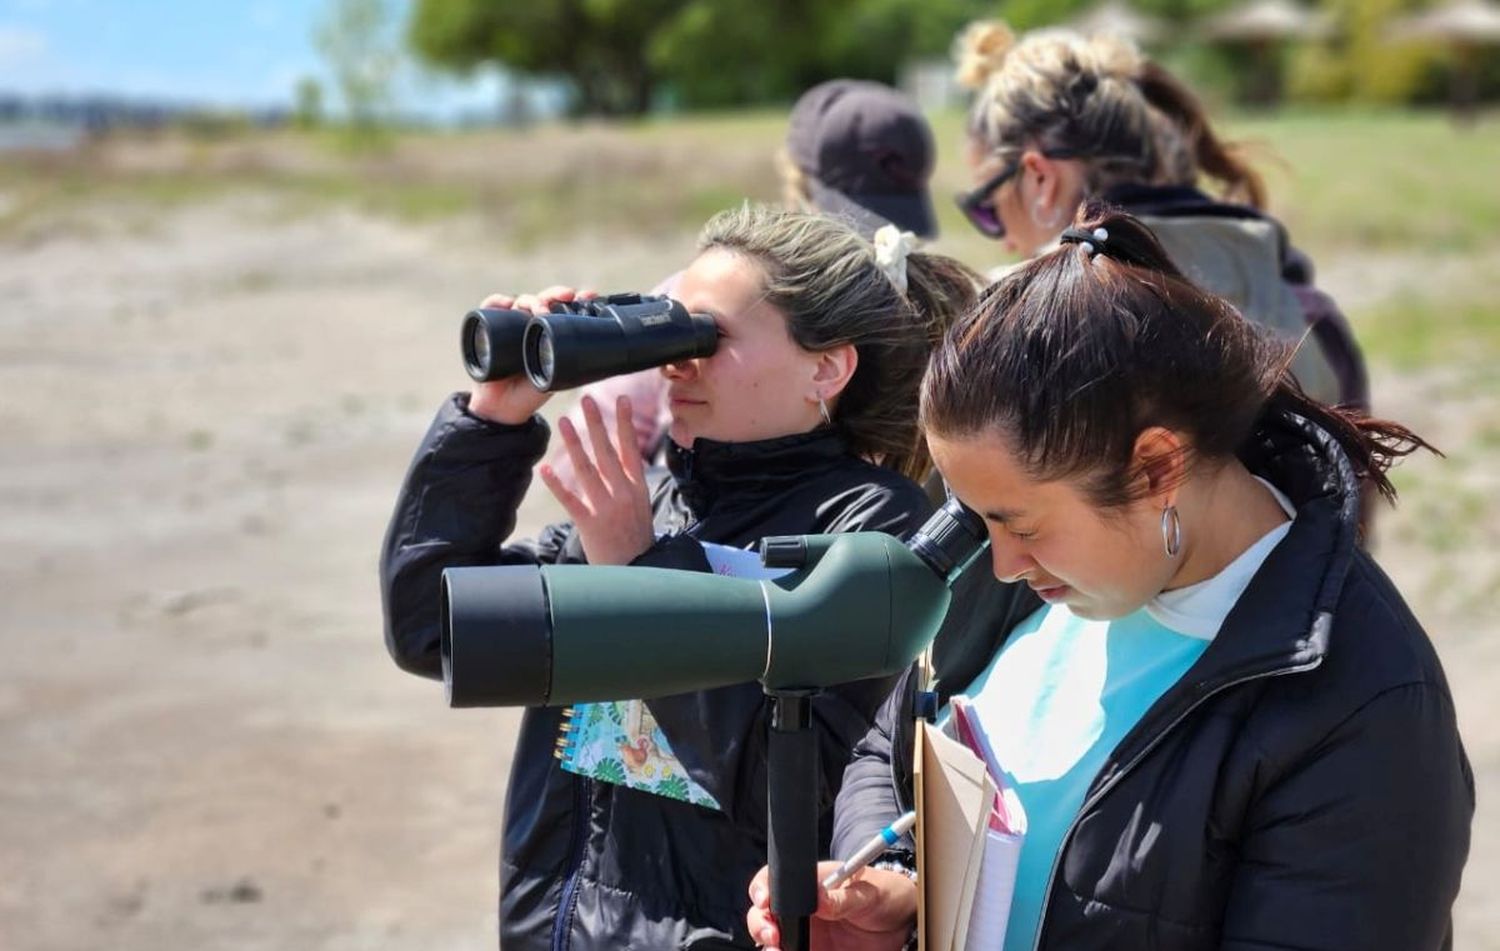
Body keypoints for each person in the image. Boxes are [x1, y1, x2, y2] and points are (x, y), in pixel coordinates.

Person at [746, 204, 1473, 951]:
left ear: (1158, 466)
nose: (998, 563)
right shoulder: (1017, 548)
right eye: (977, 515)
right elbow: (888, 747)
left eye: (1022, 526)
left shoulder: (1366, 705)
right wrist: (897, 886)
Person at [381, 205, 982, 951]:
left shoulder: (867, 528)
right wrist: (491, 424)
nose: (675, 362)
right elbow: (431, 628)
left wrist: (640, 574)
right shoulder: (652, 502)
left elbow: (808, 777)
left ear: (825, 367)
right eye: (671, 331)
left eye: (708, 337)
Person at [950, 20, 1368, 416]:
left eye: (989, 209)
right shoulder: (1311, 316)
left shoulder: (1002, 326)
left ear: (1040, 178)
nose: (1002, 240)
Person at [546, 78, 940, 490]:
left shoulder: (687, 293)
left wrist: (647, 533)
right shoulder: (930, 321)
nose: (674, 368)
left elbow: (583, 464)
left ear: (797, 184)